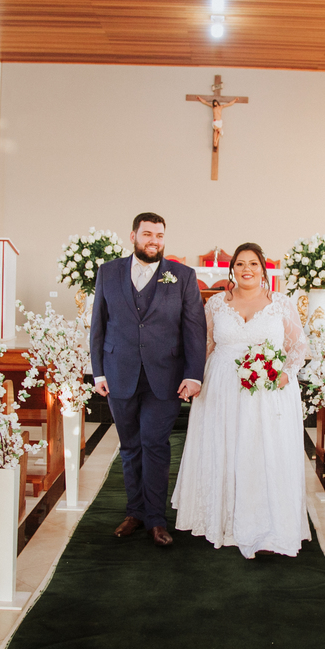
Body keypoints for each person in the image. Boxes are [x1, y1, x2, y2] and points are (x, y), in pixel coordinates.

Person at [171, 243, 311, 558]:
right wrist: (193, 379)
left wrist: (286, 373)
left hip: (267, 391)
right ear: (232, 269)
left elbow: (299, 345)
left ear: (263, 269)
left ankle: (268, 528)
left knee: (262, 452)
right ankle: (220, 519)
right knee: (223, 447)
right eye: (240, 264)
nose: (247, 269)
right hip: (221, 389)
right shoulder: (216, 304)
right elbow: (204, 344)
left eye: (253, 263)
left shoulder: (281, 303)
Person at [90, 213, 206, 547]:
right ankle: (134, 513)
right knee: (129, 447)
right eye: (147, 234)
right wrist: (98, 371)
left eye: (159, 235)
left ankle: (156, 519)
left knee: (155, 444)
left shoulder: (182, 276)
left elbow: (194, 328)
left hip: (165, 376)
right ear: (133, 236)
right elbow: (98, 324)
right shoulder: (108, 272)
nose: (154, 241)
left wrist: (193, 375)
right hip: (119, 372)